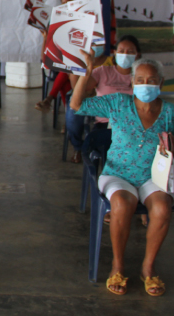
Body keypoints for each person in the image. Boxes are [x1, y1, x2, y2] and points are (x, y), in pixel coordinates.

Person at [71, 56, 173, 297]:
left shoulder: (169, 111)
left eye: (151, 80)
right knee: (121, 203)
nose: (146, 84)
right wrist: (86, 73)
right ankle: (118, 265)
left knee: (162, 208)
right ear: (132, 82)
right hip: (118, 174)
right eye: (140, 80)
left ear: (161, 82)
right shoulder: (118, 102)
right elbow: (77, 105)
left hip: (154, 177)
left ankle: (148, 268)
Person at [65, 36, 140, 164]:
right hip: (105, 124)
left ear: (137, 55)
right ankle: (78, 148)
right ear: (115, 53)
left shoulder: (140, 76)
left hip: (132, 124)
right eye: (121, 51)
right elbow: (78, 94)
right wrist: (88, 68)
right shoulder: (103, 71)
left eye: (130, 52)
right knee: (73, 112)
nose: (125, 55)